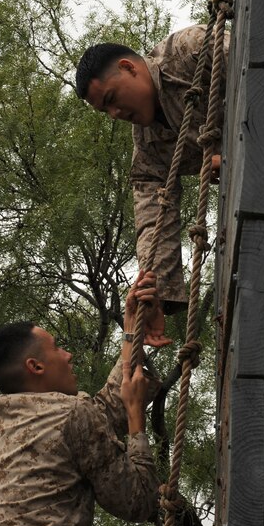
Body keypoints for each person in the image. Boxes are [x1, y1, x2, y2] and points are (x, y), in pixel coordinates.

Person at [0, 271, 164, 526]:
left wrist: (132, 330)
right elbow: (138, 501)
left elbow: (99, 418)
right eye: (56, 348)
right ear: (35, 366)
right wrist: (137, 419)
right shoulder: (72, 414)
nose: (67, 354)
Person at [76, 25, 229, 315]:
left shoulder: (190, 51)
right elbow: (153, 219)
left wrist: (236, 151)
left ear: (128, 67)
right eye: (105, 112)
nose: (115, 114)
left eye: (111, 100)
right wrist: (154, 294)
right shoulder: (148, 149)